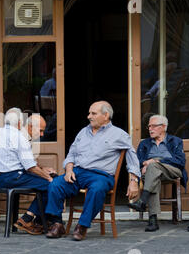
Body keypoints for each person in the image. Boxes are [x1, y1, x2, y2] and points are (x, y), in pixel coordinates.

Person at [45, 101, 141, 240]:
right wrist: (69, 169)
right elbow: (72, 153)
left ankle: (82, 226)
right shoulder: (84, 132)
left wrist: (133, 181)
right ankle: (57, 224)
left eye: (93, 113)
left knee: (97, 189)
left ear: (106, 115)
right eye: (89, 113)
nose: (89, 116)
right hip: (78, 172)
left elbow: (132, 157)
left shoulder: (119, 134)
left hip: (101, 175)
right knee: (55, 185)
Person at [0, 108, 56, 235]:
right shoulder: (19, 137)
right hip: (13, 177)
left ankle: (36, 219)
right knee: (51, 185)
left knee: (45, 181)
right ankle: (28, 219)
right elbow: (30, 166)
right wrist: (48, 177)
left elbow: (21, 161)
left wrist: (42, 170)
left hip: (0, 178)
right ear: (20, 123)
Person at [129, 115, 188, 232]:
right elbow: (138, 161)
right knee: (153, 176)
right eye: (149, 126)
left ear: (164, 127)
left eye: (154, 126)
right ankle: (152, 221)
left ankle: (145, 205)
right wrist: (145, 165)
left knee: (153, 167)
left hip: (171, 170)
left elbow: (180, 162)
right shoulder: (144, 144)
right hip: (151, 172)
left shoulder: (175, 141)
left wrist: (156, 161)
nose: (150, 129)